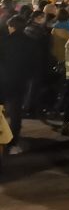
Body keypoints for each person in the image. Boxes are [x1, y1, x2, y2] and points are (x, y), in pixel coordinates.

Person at [0, 16, 41, 154]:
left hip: (2, 81)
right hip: (19, 83)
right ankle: (12, 143)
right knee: (15, 114)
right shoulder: (31, 43)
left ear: (12, 26)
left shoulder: (3, 41)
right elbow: (34, 65)